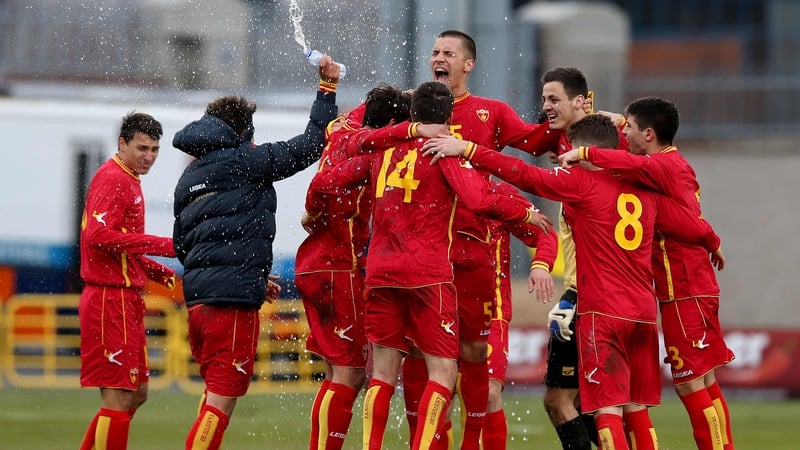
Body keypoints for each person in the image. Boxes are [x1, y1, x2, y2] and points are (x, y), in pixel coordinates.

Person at [423, 113, 725, 450]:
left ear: (586, 152)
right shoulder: (645, 189)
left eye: (572, 153)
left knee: (607, 410)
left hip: (603, 315)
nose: (566, 160)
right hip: (642, 315)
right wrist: (713, 241)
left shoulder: (580, 183)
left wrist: (467, 149)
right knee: (636, 409)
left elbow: (523, 174)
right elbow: (689, 224)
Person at [308, 81, 542, 450]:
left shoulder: (380, 151)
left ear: (412, 114)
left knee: (381, 375)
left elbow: (328, 180)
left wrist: (314, 209)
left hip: (381, 274)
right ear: (449, 117)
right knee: (444, 371)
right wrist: (523, 211)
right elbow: (478, 199)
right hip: (427, 275)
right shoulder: (443, 153)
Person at [399, 29, 562, 450]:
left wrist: (566, 114)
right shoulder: (410, 110)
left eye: (448, 53)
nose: (439, 57)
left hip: (479, 263)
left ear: (467, 65)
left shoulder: (491, 113)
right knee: (424, 380)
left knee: (484, 385)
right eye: (434, 51)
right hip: (424, 264)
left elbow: (533, 142)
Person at [172, 55, 341, 450]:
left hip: (198, 302)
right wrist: (327, 89)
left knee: (214, 395)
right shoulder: (243, 160)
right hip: (230, 306)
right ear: (241, 132)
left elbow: (184, 244)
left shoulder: (189, 176)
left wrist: (246, 275)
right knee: (222, 401)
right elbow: (311, 145)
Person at [559, 97, 735, 450]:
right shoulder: (666, 166)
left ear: (649, 134)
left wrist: (583, 154)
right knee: (704, 380)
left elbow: (619, 158)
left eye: (631, 127)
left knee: (689, 383)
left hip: (683, 287)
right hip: (688, 285)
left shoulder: (662, 166)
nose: (626, 132)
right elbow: (692, 222)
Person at [295, 83, 412, 450]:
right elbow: (322, 184)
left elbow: (368, 112)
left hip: (316, 261)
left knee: (336, 371)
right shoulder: (369, 149)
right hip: (338, 266)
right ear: (391, 123)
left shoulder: (340, 129)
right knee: (349, 373)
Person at [539, 67, 627, 450]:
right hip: (615, 295)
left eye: (553, 99)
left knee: (564, 401)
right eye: (543, 99)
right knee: (594, 402)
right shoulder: (571, 140)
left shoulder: (610, 144)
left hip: (590, 295)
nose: (545, 107)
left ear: (581, 101)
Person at [78, 112, 177, 450]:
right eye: (141, 148)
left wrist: (156, 271)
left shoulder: (129, 177)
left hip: (126, 299)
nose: (148, 157)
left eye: (154, 150)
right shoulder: (113, 178)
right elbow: (97, 235)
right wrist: (162, 245)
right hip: (109, 300)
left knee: (136, 395)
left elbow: (119, 243)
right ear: (122, 143)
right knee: (119, 399)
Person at [482, 180, 558, 449]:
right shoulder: (435, 187)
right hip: (438, 307)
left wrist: (540, 265)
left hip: (490, 313)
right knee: (438, 396)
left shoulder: (500, 194)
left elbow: (546, 232)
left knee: (488, 393)